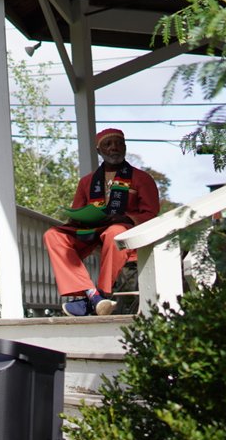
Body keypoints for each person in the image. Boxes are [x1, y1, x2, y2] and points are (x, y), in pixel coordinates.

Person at [43, 128, 160, 317]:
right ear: (99, 151)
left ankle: (102, 293)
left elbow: (151, 213)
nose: (114, 148)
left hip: (124, 234)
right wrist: (79, 217)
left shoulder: (141, 178)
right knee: (53, 235)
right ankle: (93, 296)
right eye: (108, 144)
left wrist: (126, 218)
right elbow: (78, 212)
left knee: (114, 231)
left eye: (118, 143)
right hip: (92, 232)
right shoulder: (87, 182)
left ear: (124, 147)